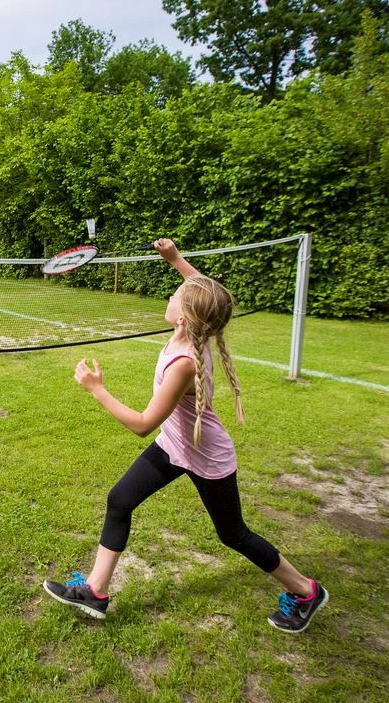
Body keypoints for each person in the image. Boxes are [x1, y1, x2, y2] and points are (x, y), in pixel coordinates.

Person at [43, 238, 328, 633]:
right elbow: (207, 294)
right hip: (176, 444)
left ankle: (306, 591)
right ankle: (96, 590)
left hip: (206, 457)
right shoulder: (197, 326)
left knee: (234, 535)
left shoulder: (184, 363)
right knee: (120, 499)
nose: (172, 295)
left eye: (176, 295)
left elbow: (143, 423)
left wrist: (98, 390)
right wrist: (175, 259)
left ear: (183, 317)